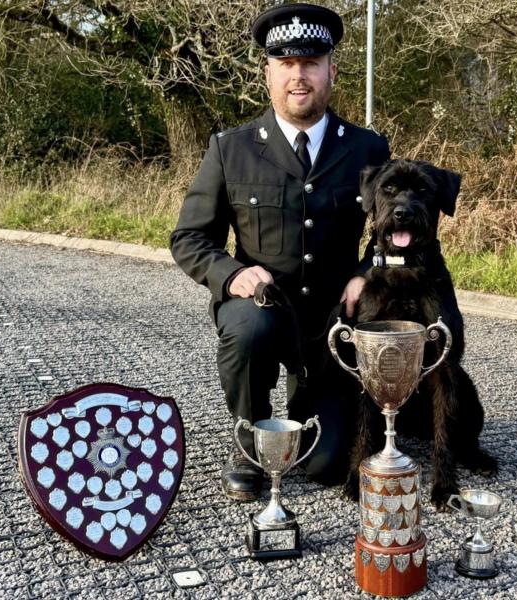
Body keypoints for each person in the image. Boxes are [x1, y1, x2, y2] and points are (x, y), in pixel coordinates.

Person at [170, 3, 390, 501]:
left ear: (331, 69)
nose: (299, 76)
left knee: (328, 466)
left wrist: (365, 273)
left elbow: (392, 237)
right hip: (265, 312)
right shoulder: (232, 148)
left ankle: (305, 407)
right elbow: (189, 238)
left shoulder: (366, 150)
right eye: (286, 64)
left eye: (311, 63)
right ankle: (249, 438)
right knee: (250, 325)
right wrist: (230, 275)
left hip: (334, 325)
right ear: (267, 72)